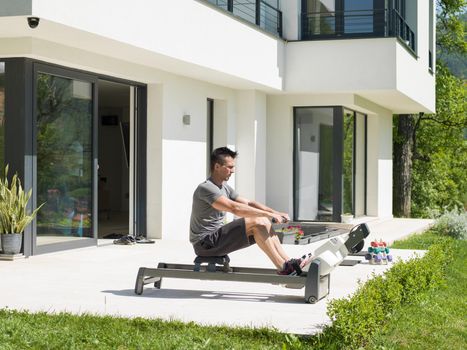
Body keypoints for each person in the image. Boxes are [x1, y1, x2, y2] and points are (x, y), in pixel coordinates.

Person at [190, 147, 309, 275]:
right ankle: (282, 267)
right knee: (258, 220)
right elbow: (234, 208)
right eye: (229, 167)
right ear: (217, 166)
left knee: (262, 222)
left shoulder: (224, 188)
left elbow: (248, 203)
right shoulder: (206, 188)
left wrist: (275, 212)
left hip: (216, 240)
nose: (233, 171)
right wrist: (269, 215)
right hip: (205, 243)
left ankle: (288, 262)